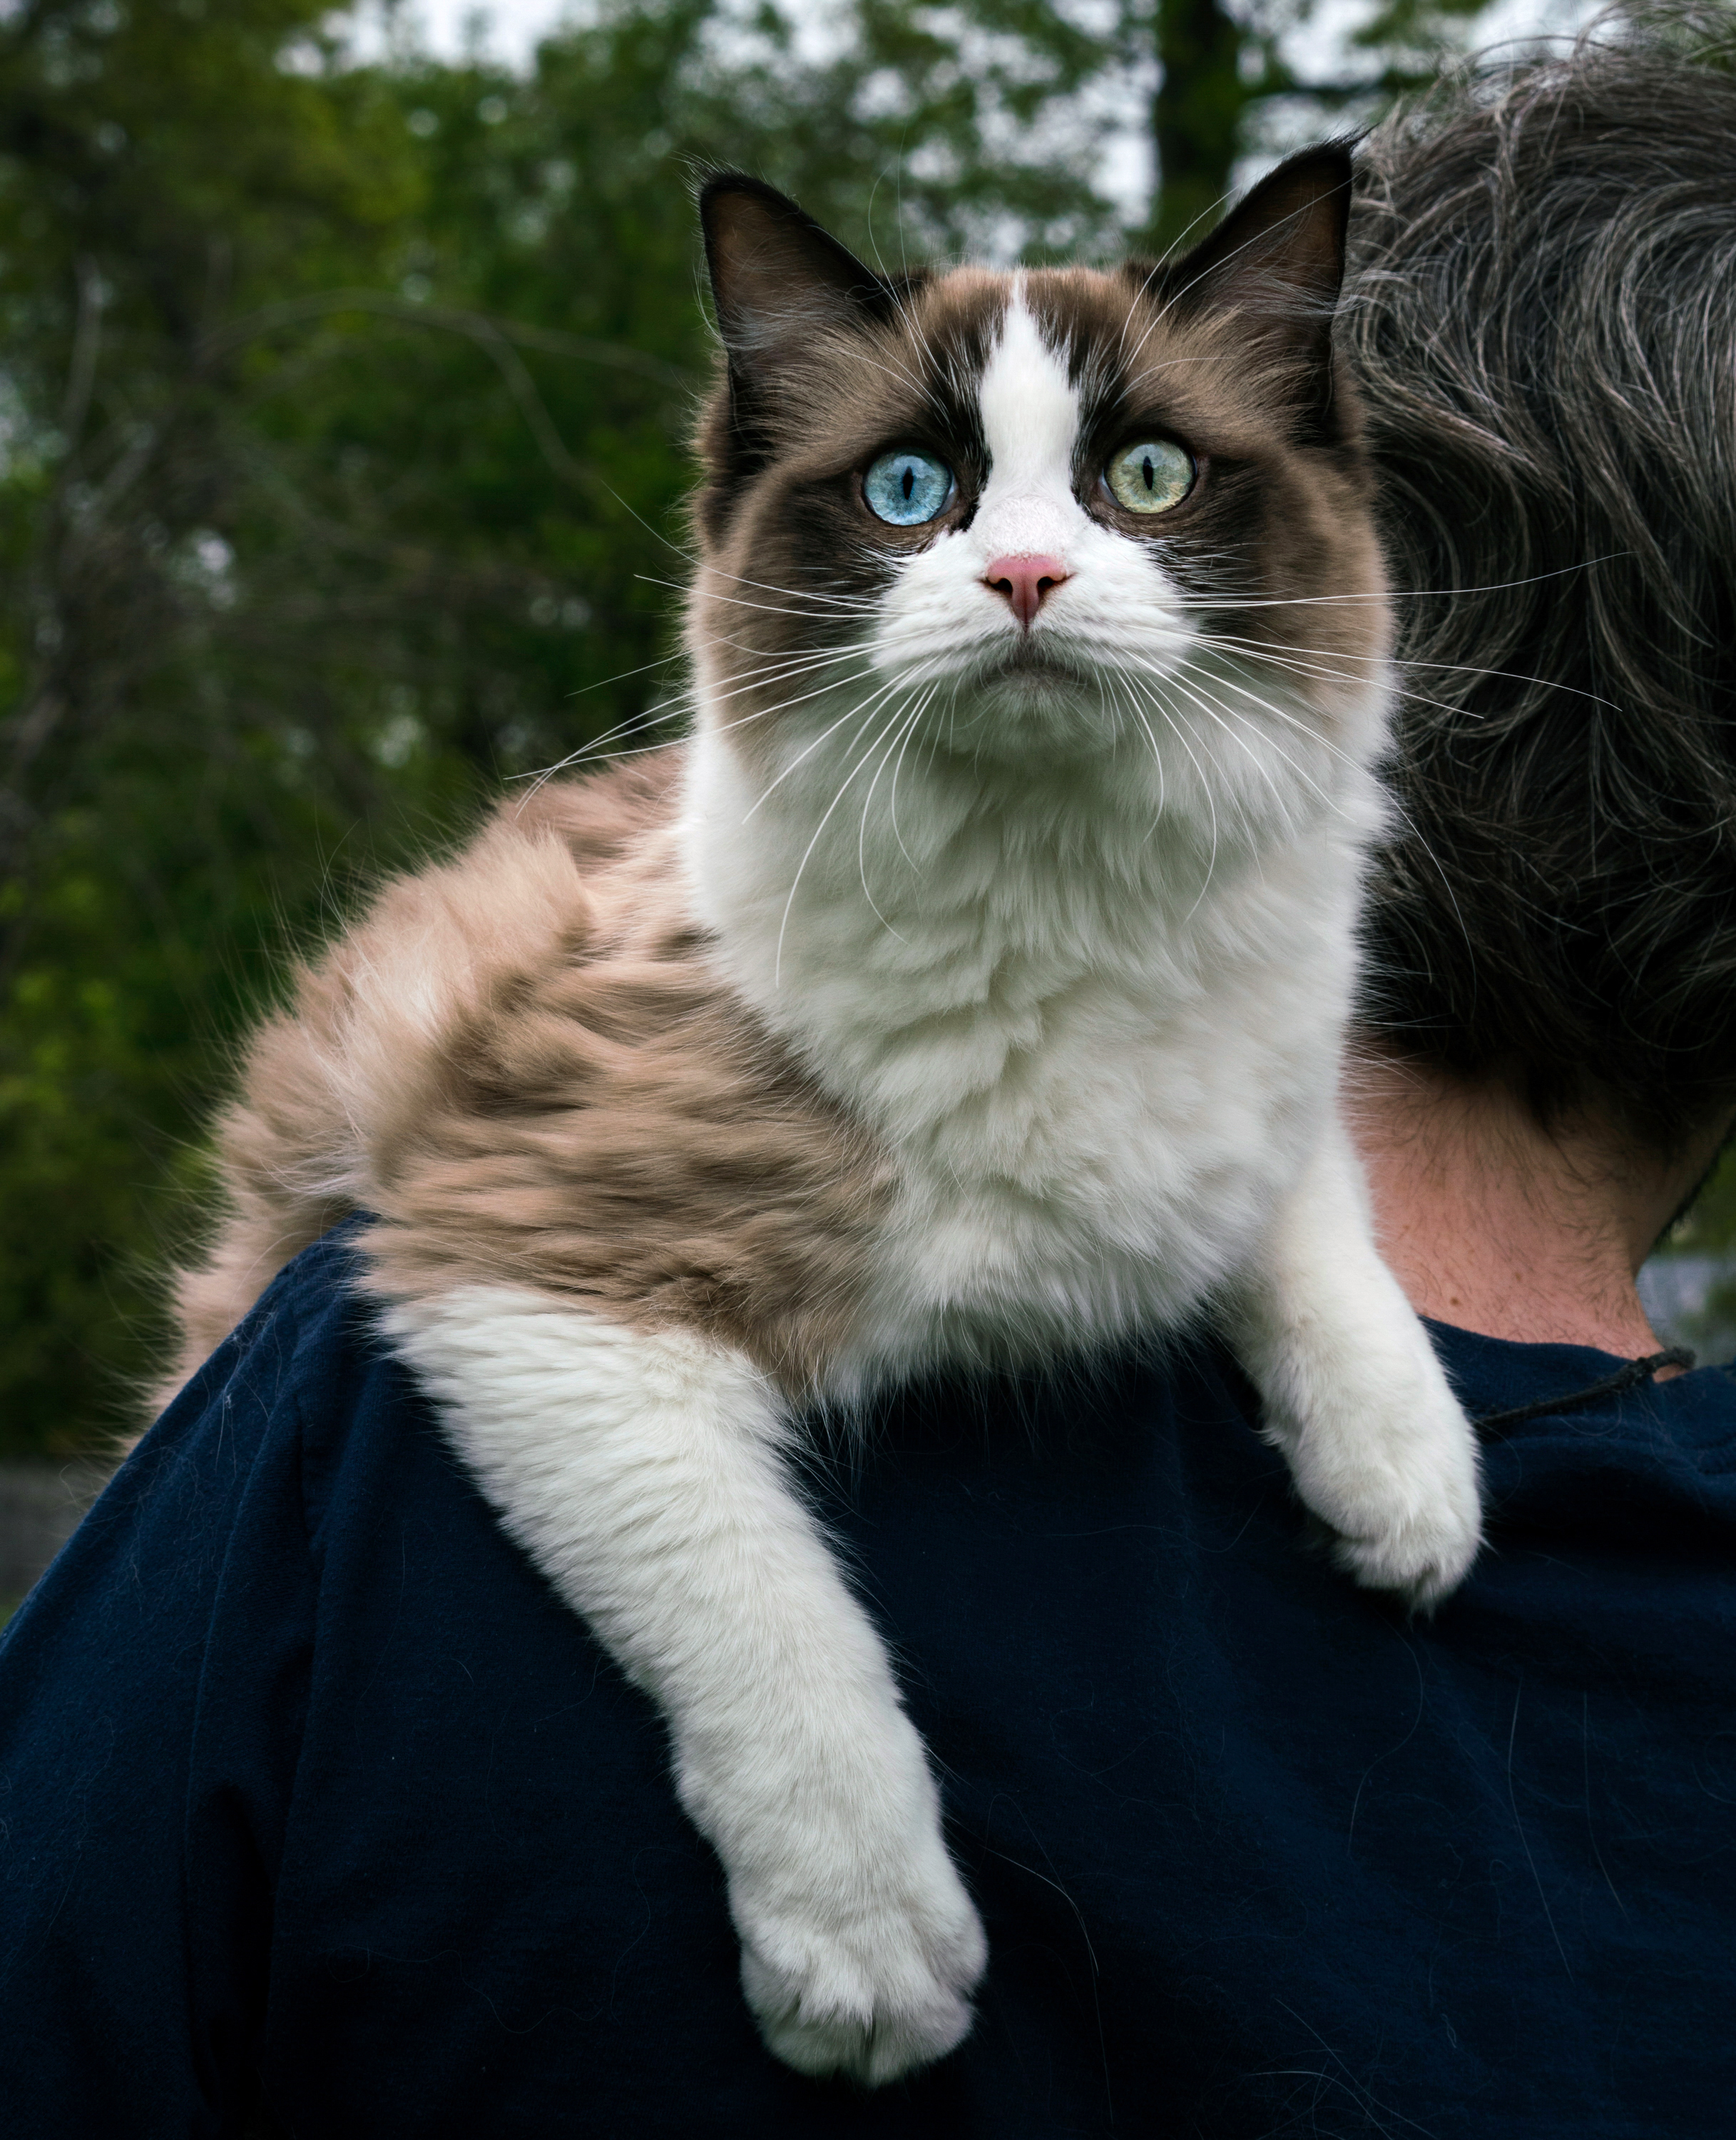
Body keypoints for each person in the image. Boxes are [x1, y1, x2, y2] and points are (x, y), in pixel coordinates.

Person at [4, 22, 1735, 2136]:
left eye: (1142, 484)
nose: (1024, 561)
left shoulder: (356, 1458)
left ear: (1385, 587)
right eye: (922, 494)